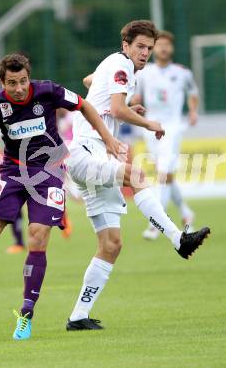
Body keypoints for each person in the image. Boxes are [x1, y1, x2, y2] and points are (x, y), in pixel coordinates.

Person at [0, 54, 123, 340]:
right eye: (12, 83)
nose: (19, 88)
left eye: (22, 81)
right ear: (2, 82)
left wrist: (108, 139)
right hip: (12, 170)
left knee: (37, 236)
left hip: (49, 169)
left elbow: (83, 105)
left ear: (28, 76)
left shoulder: (48, 90)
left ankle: (26, 315)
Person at [65, 20, 211, 331]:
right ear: (127, 46)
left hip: (92, 156)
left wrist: (115, 94)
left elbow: (90, 79)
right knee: (138, 176)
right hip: (85, 152)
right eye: (140, 47)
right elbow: (117, 109)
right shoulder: (121, 65)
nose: (145, 53)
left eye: (149, 47)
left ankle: (78, 316)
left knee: (112, 244)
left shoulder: (121, 69)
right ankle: (177, 239)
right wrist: (150, 124)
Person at [132, 30, 200, 240]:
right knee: (166, 176)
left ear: (171, 48)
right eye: (158, 45)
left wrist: (193, 110)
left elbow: (193, 93)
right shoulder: (144, 73)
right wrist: (134, 107)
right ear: (153, 49)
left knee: (162, 173)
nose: (162, 48)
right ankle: (186, 213)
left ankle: (156, 224)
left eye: (166, 45)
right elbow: (137, 96)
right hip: (151, 127)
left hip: (172, 127)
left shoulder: (182, 73)